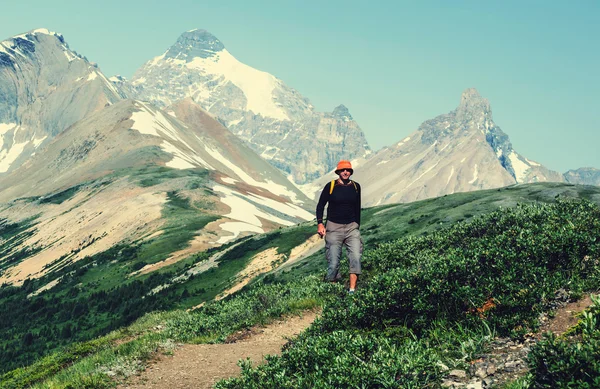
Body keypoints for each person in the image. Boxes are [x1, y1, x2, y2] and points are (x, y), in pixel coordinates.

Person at [316, 160, 363, 294]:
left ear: (351, 172)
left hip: (351, 228)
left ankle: (352, 291)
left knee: (355, 257)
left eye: (348, 170)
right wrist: (320, 224)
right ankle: (333, 292)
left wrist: (357, 225)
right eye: (342, 170)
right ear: (338, 172)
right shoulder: (330, 186)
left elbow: (357, 207)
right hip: (333, 227)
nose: (345, 172)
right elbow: (320, 205)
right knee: (334, 262)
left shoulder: (356, 187)